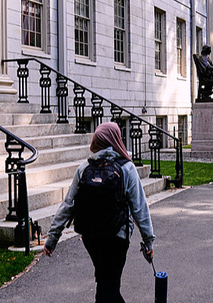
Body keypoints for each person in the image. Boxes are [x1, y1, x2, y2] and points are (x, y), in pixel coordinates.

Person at [44, 122, 155, 302]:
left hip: (91, 237)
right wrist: (148, 240)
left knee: (106, 282)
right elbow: (139, 208)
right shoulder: (127, 168)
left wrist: (52, 238)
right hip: (117, 237)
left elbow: (68, 205)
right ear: (116, 139)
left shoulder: (84, 169)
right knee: (108, 286)